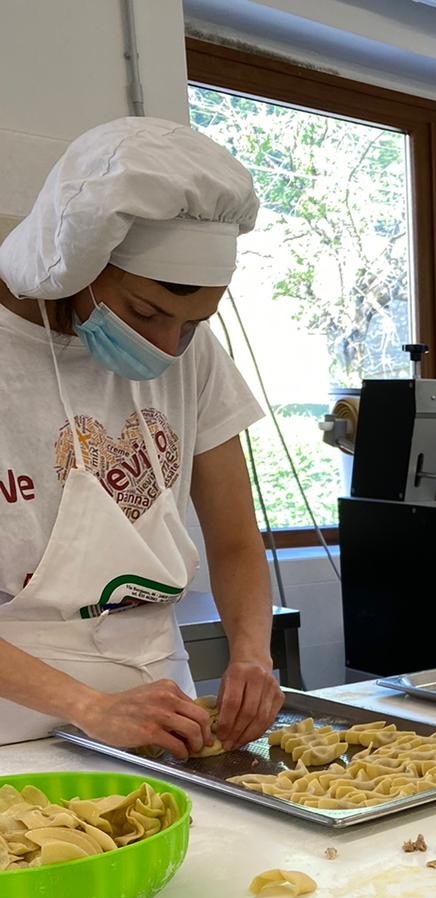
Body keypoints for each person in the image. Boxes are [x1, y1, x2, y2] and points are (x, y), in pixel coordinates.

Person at [0, 117, 284, 755]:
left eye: (194, 322)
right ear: (80, 262)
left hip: (159, 698)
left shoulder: (195, 357)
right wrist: (87, 706)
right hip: (11, 717)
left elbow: (236, 540)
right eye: (146, 313)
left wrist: (252, 655)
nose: (166, 348)